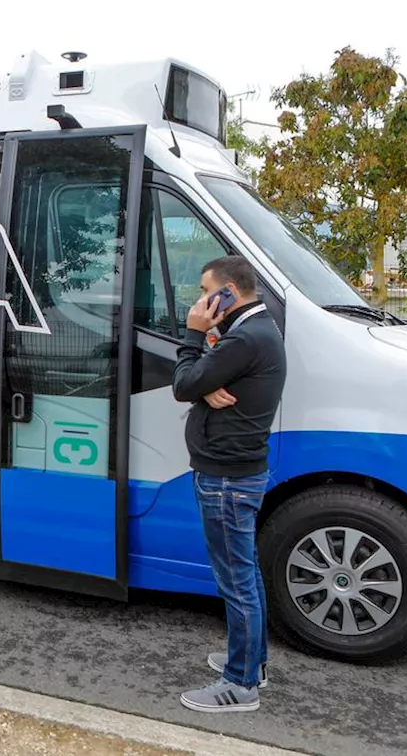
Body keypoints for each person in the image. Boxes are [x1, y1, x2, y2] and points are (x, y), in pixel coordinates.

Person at [171, 255, 286, 714]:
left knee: (235, 580)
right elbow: (198, 381)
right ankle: (251, 662)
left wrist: (195, 335)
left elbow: (182, 382)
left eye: (205, 291)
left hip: (225, 479)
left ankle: (239, 685)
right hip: (237, 473)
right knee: (245, 574)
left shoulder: (245, 338)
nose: (200, 300)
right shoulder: (256, 331)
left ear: (227, 294)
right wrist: (205, 380)